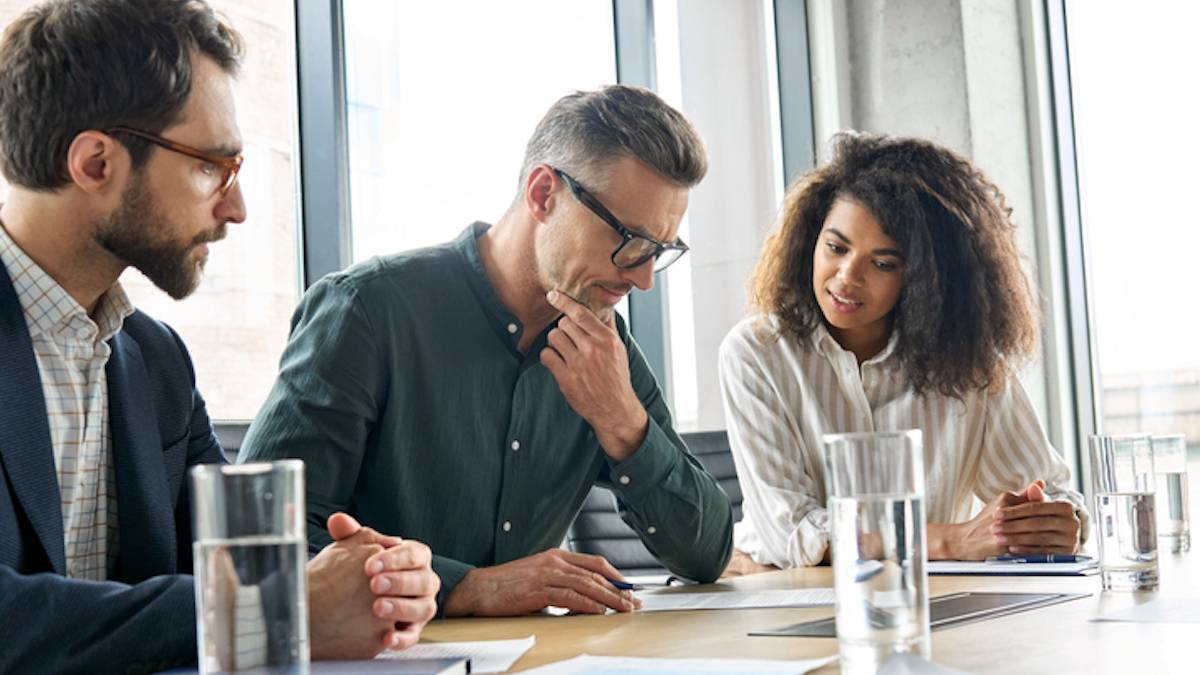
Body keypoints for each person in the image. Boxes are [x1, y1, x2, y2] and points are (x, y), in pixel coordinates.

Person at [0, 1, 437, 671]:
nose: (236, 208)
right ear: (95, 163)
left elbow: (239, 565)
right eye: (212, 166)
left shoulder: (158, 361)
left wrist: (373, 583)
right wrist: (278, 607)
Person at [240, 85, 734, 616]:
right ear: (544, 194)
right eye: (630, 241)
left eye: (658, 252)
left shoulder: (604, 347)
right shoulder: (367, 311)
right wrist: (467, 586)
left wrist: (623, 422)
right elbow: (257, 536)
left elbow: (705, 555)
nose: (642, 280)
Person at [718, 132, 1088, 573]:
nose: (847, 277)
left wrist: (1051, 522)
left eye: (883, 263)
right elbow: (793, 535)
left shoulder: (969, 363)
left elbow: (1052, 492)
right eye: (836, 248)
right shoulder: (756, 353)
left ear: (925, 280)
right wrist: (950, 540)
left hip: (930, 599)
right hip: (779, 589)